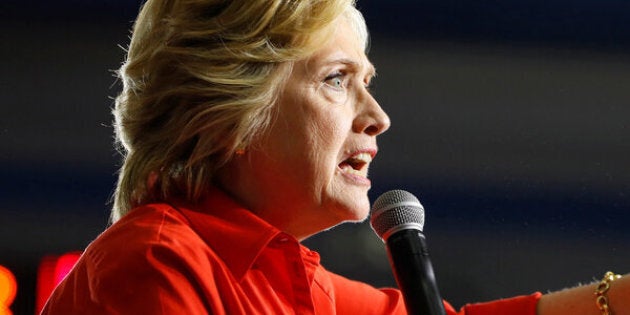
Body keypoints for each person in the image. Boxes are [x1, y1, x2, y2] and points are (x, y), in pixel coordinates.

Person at [41, 0, 629, 314]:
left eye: (366, 80)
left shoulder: (291, 281)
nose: (378, 116)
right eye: (336, 78)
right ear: (230, 115)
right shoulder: (159, 259)